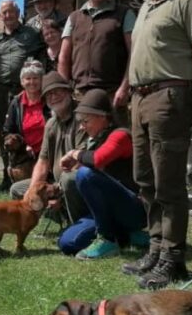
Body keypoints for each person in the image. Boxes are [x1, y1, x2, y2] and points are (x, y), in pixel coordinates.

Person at [124, 0, 192, 290]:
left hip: (169, 95)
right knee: (145, 179)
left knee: (169, 183)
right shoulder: (148, 2)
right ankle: (156, 246)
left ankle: (173, 259)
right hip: (140, 98)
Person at [57, 89, 146, 260]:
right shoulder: (97, 138)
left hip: (133, 208)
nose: (82, 126)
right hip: (110, 211)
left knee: (85, 175)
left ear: (103, 117)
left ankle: (108, 238)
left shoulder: (120, 135)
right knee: (67, 243)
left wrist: (74, 153)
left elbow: (98, 159)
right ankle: (125, 235)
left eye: (85, 121)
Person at [8, 71, 88, 239]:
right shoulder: (51, 123)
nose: (54, 97)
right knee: (18, 191)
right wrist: (32, 193)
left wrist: (58, 194)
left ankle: (80, 225)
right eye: (49, 94)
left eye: (57, 91)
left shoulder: (82, 118)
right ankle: (58, 220)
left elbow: (81, 163)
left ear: (68, 91)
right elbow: (43, 162)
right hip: (57, 184)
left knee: (69, 180)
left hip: (78, 181)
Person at [58, 0, 135, 118]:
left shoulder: (125, 14)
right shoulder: (74, 17)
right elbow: (63, 57)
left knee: (114, 140)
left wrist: (124, 88)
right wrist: (64, 90)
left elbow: (134, 54)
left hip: (112, 96)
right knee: (81, 141)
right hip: (79, 97)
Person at [0, 0, 46, 189]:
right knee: (6, 132)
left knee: (26, 132)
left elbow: (42, 58)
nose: (8, 15)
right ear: (0, 15)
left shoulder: (32, 34)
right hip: (2, 90)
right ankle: (8, 174)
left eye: (11, 11)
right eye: (4, 12)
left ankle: (30, 172)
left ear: (18, 12)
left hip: (26, 88)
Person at [2, 60, 51, 157]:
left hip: (49, 153)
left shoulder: (50, 100)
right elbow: (7, 131)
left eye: (35, 78)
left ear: (42, 80)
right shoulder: (16, 103)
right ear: (22, 82)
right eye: (28, 78)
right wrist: (24, 147)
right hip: (24, 155)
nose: (32, 82)